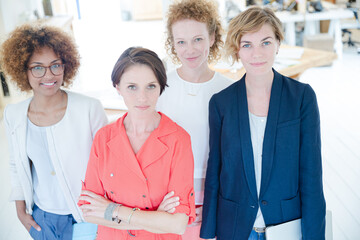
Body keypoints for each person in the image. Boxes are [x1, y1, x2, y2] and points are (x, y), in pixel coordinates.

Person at [200, 6, 326, 240]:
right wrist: (208, 231)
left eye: (266, 42)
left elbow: (311, 175)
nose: (256, 53)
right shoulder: (221, 103)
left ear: (279, 43)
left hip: (286, 225)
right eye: (247, 44)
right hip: (236, 228)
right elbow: (215, 170)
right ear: (237, 49)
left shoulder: (301, 98)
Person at [0, 24, 108, 239]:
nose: (48, 75)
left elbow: (109, 165)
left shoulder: (89, 108)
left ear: (65, 66)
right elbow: (16, 165)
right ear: (24, 71)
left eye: (55, 65)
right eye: (38, 67)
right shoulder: (14, 114)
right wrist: (21, 211)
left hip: (86, 216)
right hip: (42, 219)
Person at [78, 47, 196, 240]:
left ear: (161, 87)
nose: (142, 97)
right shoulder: (103, 138)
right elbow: (89, 212)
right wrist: (156, 216)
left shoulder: (178, 139)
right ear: (118, 87)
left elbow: (177, 224)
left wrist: (112, 209)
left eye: (151, 86)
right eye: (132, 87)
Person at [157, 0, 234, 238]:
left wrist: (214, 200)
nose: (189, 49)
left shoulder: (228, 90)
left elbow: (231, 153)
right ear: (173, 44)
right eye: (181, 42)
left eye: (197, 39)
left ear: (212, 37)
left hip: (216, 191)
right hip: (168, 193)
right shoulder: (160, 87)